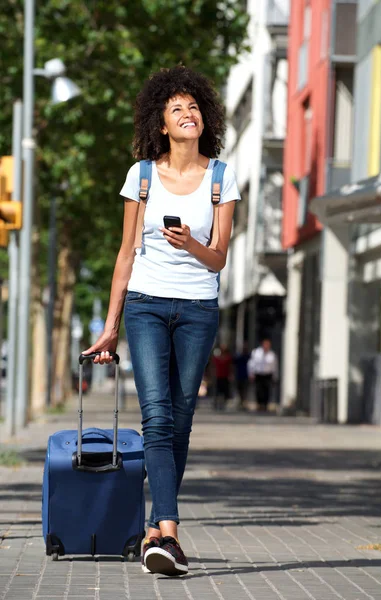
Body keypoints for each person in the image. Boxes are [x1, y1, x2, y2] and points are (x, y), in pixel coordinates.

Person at [82, 65, 240, 576]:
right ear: (162, 125)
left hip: (197, 308)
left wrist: (190, 243)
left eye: (193, 107)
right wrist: (110, 325)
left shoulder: (221, 176)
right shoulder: (142, 175)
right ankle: (170, 534)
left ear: (204, 118)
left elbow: (218, 259)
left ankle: (153, 531)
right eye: (177, 109)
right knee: (156, 414)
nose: (187, 114)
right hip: (146, 305)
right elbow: (126, 253)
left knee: (180, 419)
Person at [247, 338, 279, 412]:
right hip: (258, 374)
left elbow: (275, 366)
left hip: (267, 375)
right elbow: (251, 364)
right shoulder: (256, 352)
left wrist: (275, 376)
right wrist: (250, 373)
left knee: (267, 390)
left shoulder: (272, 354)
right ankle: (259, 404)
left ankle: (265, 405)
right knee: (259, 390)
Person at [211, 343, 233, 410]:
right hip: (218, 376)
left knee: (225, 391)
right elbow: (213, 366)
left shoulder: (228, 358)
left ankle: (223, 403)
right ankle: (216, 403)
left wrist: (231, 375)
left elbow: (231, 367)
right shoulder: (216, 358)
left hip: (225, 376)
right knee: (217, 391)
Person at [233, 342, 250, 410]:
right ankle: (241, 401)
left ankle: (244, 402)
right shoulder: (239, 357)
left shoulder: (248, 357)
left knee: (245, 390)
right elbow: (233, 363)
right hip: (239, 376)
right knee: (239, 389)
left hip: (246, 376)